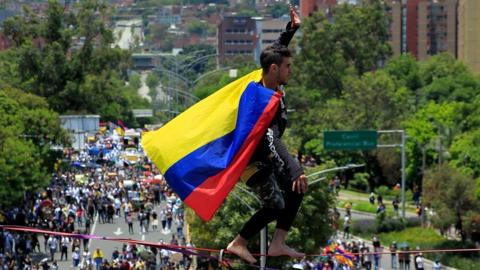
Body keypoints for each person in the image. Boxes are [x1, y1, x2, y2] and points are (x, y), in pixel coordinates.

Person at [226, 5, 307, 264]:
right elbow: (272, 137)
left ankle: (277, 244)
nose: (290, 71)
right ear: (274, 70)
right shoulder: (263, 101)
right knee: (275, 204)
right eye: (287, 67)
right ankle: (238, 243)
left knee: (297, 190)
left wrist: (291, 29)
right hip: (251, 162)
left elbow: (273, 51)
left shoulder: (265, 80)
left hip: (265, 157)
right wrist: (294, 168)